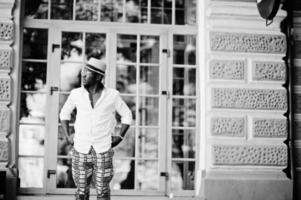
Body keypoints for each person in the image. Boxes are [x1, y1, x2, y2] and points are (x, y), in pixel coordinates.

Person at [60, 57, 132, 200]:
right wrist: (68, 136)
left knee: (103, 191)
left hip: (103, 150)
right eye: (83, 72)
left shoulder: (112, 95)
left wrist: (120, 136)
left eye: (88, 72)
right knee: (81, 192)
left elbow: (127, 115)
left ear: (98, 77)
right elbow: (64, 113)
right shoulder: (76, 94)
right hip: (80, 149)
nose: (83, 75)